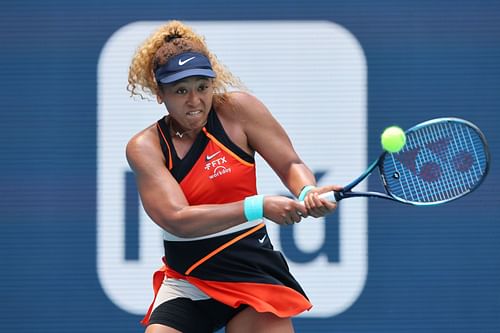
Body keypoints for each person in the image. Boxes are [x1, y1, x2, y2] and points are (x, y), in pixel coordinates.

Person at [126, 20, 340, 333]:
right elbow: (177, 218)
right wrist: (259, 206)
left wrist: (307, 190)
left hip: (253, 273)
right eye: (181, 91)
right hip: (190, 281)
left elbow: (290, 163)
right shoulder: (146, 147)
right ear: (160, 94)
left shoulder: (238, 112)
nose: (195, 101)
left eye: (203, 87)